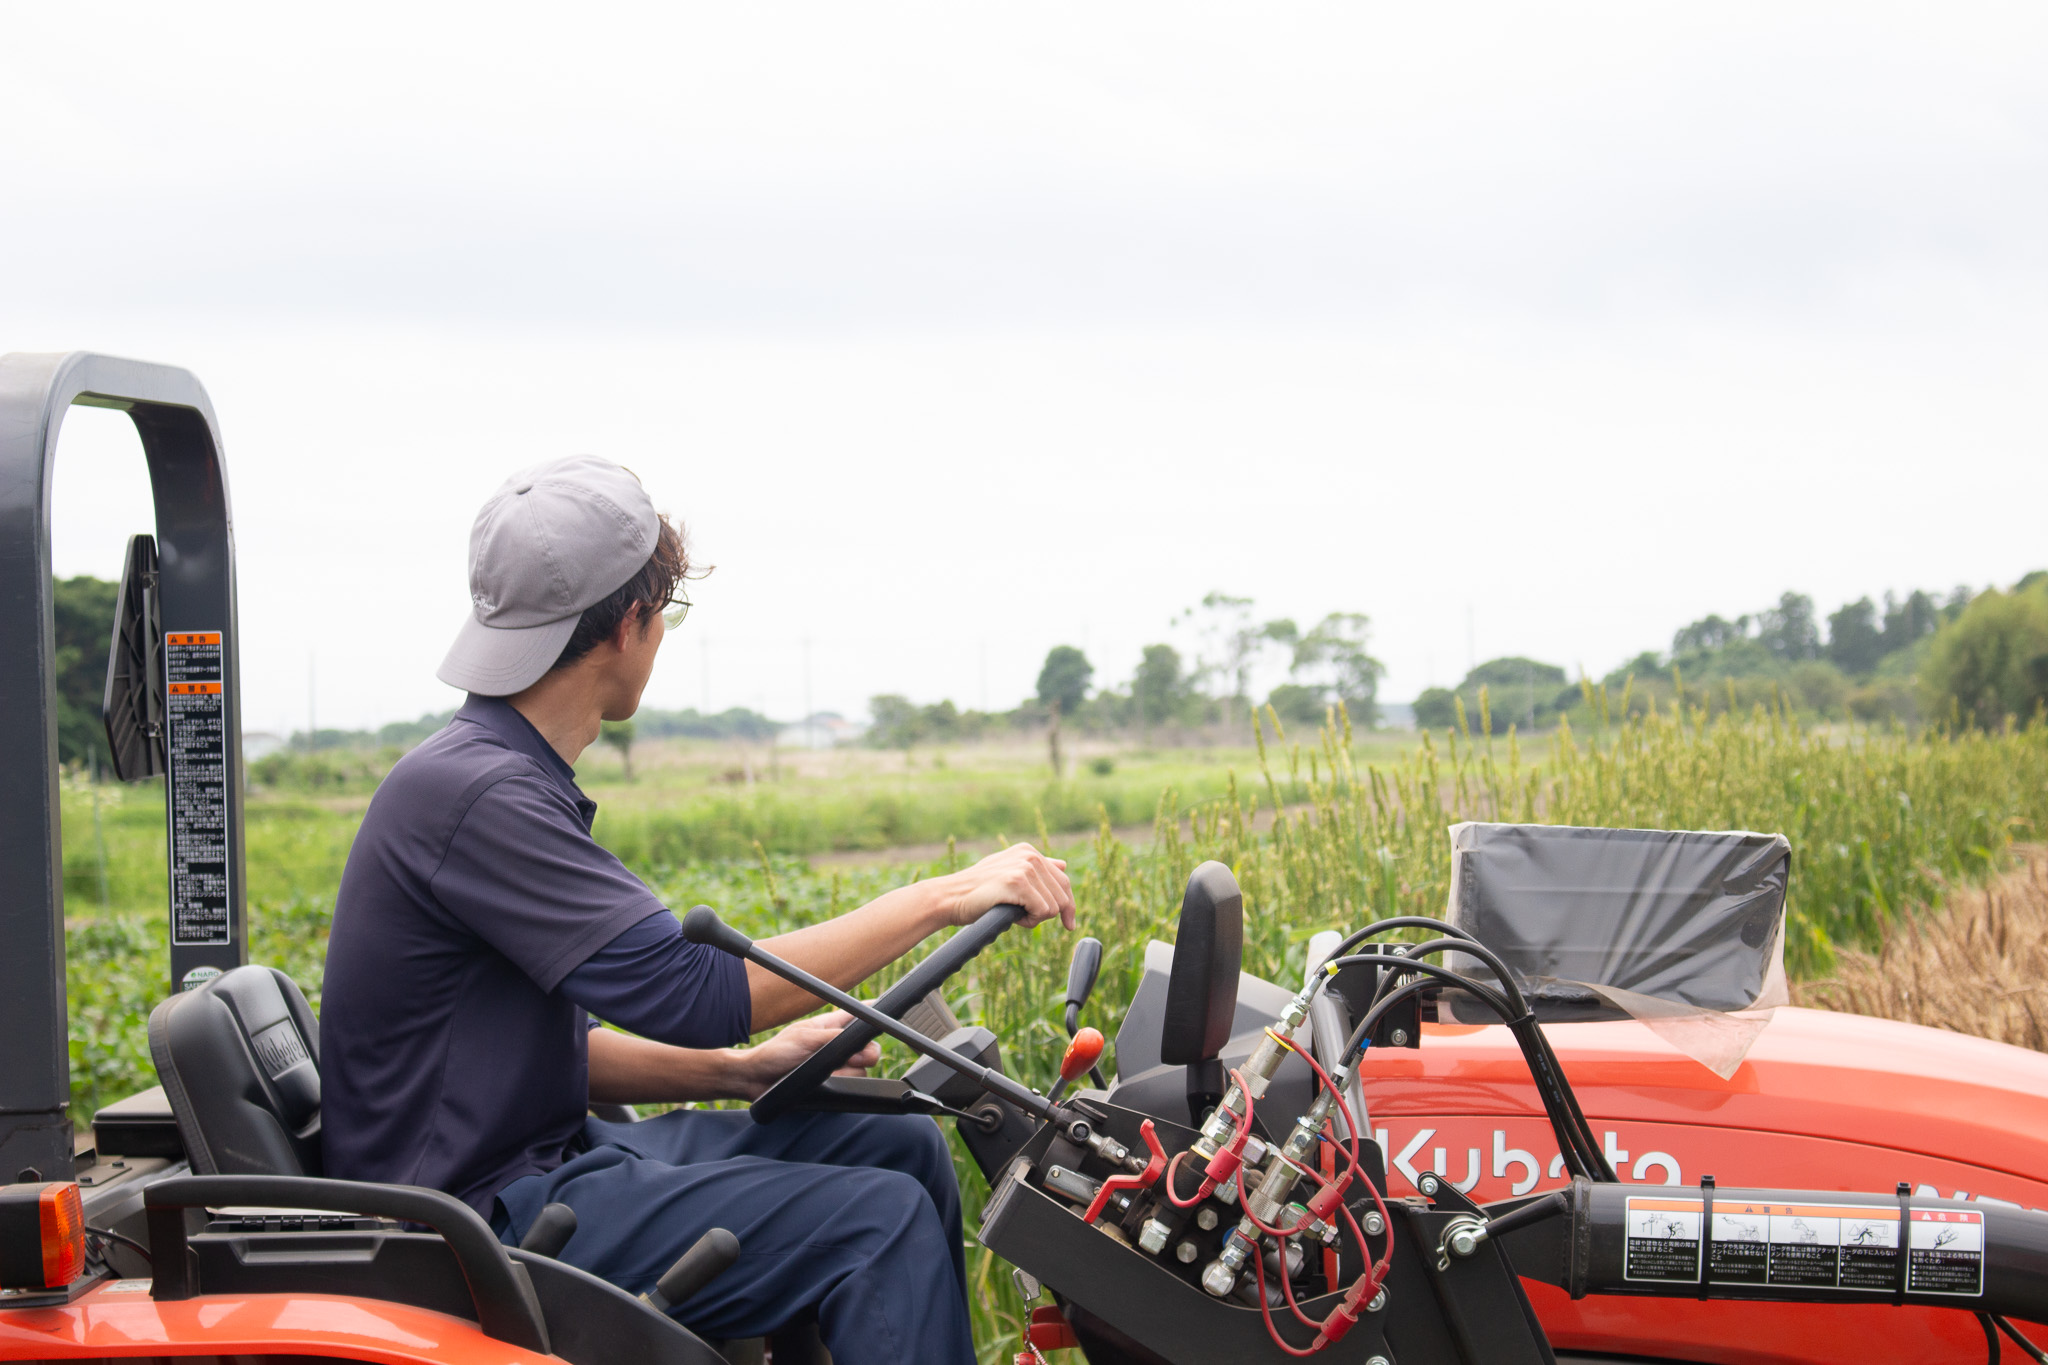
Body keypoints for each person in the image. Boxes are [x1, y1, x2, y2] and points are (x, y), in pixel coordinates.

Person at [319, 456, 1075, 1365]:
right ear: (630, 624)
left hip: (550, 1161)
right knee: (878, 1224)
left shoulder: (491, 774)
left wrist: (738, 1070)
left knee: (897, 1142)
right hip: (476, 1222)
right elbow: (700, 989)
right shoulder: (479, 794)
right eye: (665, 616)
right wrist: (944, 895)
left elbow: (545, 1053)